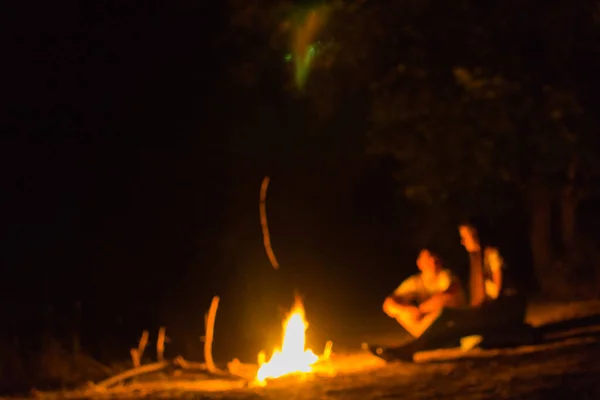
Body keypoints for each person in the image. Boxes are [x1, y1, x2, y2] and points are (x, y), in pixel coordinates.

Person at [383, 249, 466, 338]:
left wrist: (420, 309)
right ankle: (426, 337)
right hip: (428, 323)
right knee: (404, 314)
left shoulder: (446, 275)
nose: (432, 260)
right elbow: (388, 304)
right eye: (428, 258)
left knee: (441, 312)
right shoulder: (415, 281)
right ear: (419, 263)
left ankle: (424, 339)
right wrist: (405, 309)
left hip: (452, 321)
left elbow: (446, 296)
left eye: (434, 257)